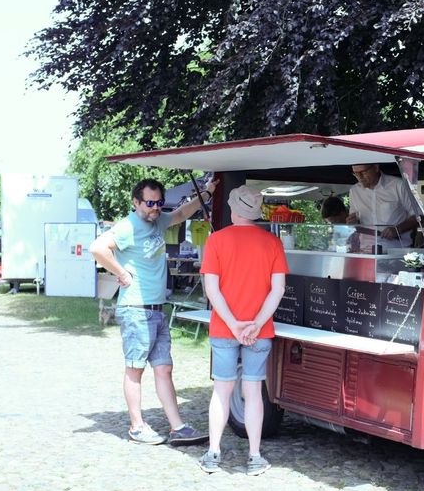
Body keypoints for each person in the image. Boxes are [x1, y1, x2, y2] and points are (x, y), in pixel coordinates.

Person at [89, 176, 218, 446]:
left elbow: (182, 213)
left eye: (159, 203)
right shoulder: (128, 227)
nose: (155, 208)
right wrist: (121, 273)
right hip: (136, 309)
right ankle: (137, 426)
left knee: (164, 368)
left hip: (157, 309)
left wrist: (206, 194)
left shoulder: (158, 220)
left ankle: (178, 427)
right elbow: (97, 248)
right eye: (150, 203)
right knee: (135, 369)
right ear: (136, 202)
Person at [198, 185, 287, 475]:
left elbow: (212, 289)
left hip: (225, 329)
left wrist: (234, 324)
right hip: (259, 332)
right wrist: (257, 323)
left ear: (234, 210)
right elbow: (278, 290)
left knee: (222, 391)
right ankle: (255, 457)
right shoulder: (272, 243)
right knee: (253, 391)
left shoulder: (216, 241)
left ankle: (213, 454)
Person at [347, 164, 419, 248]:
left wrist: (398, 229)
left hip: (396, 249)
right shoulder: (354, 191)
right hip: (366, 249)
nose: (360, 177)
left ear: (376, 168)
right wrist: (353, 222)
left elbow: (419, 216)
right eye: (356, 173)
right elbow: (356, 221)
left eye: (363, 172)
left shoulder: (399, 185)